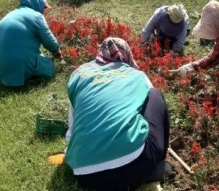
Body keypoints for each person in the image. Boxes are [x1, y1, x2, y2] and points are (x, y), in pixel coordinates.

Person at [64, 37, 170, 191]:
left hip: (85, 175)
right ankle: (158, 163)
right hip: (135, 167)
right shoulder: (136, 75)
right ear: (126, 56)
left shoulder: (79, 74)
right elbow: (147, 112)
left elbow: (72, 127)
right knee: (154, 95)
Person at [0, 0, 62, 87]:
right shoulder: (36, 16)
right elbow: (49, 41)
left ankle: (8, 73)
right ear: (37, 3)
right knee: (48, 66)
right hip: (13, 62)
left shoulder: (13, 13)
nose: (43, 10)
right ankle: (21, 74)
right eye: (43, 7)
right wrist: (56, 52)